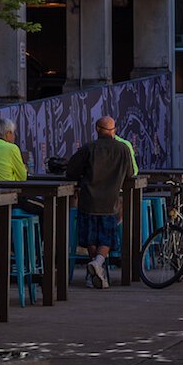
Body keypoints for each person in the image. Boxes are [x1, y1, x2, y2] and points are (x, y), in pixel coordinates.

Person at [65, 115, 135, 289]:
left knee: (91, 238)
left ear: (97, 129)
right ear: (114, 130)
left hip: (88, 200)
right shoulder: (124, 149)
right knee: (107, 237)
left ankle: (94, 269)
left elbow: (71, 172)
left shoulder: (89, 148)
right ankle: (98, 265)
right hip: (111, 202)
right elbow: (130, 174)